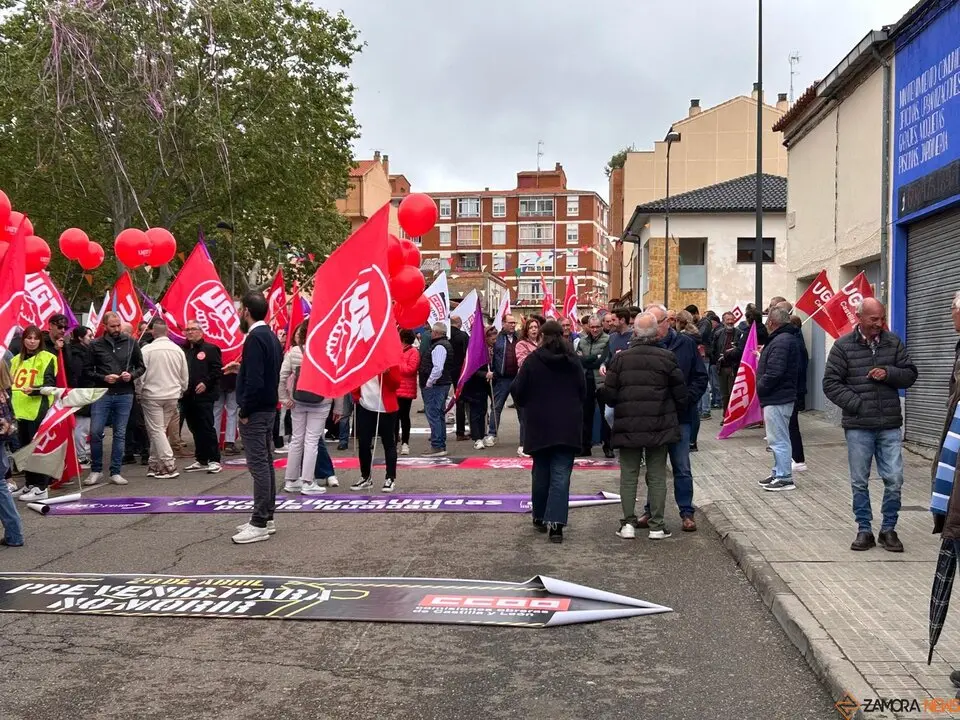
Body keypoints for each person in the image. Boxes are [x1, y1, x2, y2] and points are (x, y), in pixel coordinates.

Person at [823, 297, 917, 552]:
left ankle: (888, 529)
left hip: (888, 424)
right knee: (859, 480)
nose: (879, 323)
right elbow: (830, 384)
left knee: (895, 478)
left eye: (881, 318)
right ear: (860, 317)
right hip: (858, 425)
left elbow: (910, 374)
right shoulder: (843, 347)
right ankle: (864, 529)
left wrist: (889, 373)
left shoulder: (893, 342)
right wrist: (857, 404)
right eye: (874, 319)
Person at [602, 313, 687, 540]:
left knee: (629, 475)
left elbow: (609, 395)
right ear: (656, 332)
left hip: (628, 425)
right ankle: (657, 526)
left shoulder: (621, 359)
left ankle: (628, 524)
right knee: (657, 474)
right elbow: (681, 395)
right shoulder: (667, 358)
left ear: (635, 332)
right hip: (659, 424)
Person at [511, 320, 585, 544]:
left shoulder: (533, 360)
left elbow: (518, 389)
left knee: (541, 471)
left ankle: (540, 516)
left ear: (542, 336)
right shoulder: (573, 360)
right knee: (561, 474)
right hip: (567, 423)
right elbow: (583, 390)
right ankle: (557, 524)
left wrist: (528, 405)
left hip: (539, 422)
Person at [643, 306, 706, 531]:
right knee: (654, 468)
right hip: (656, 418)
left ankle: (686, 513)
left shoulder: (686, 343)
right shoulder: (646, 345)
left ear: (667, 321)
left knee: (682, 467)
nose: (652, 327)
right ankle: (650, 510)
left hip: (681, 417)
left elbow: (700, 376)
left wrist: (687, 399)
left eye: (655, 322)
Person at [232, 292, 284, 545]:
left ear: (246, 311)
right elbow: (261, 372)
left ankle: (260, 521)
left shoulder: (255, 338)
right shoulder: (271, 336)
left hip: (256, 411)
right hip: (268, 408)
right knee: (265, 463)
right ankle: (267, 516)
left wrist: (244, 411)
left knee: (259, 465)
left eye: (241, 309)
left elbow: (256, 381)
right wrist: (240, 369)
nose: (239, 313)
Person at [278, 320, 343, 497]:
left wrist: (285, 398)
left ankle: (291, 480)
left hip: (298, 401)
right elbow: (336, 381)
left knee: (296, 440)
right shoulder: (328, 352)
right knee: (312, 441)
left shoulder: (294, 352)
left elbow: (282, 376)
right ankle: (308, 481)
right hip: (321, 401)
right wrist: (338, 407)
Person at [83, 312, 145, 486]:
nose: (117, 329)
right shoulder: (95, 345)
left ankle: (115, 471)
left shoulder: (131, 342)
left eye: (118, 325)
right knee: (95, 432)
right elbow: (86, 370)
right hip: (102, 393)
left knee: (120, 433)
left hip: (125, 393)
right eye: (113, 326)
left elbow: (141, 367)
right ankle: (96, 470)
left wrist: (131, 375)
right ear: (105, 326)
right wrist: (103, 377)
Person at [8, 327, 58, 502]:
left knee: (37, 449)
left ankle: (41, 486)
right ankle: (29, 484)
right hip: (19, 410)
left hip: (38, 410)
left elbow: (51, 384)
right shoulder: (15, 360)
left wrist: (35, 391)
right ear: (23, 340)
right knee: (23, 449)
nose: (31, 341)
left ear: (40, 341)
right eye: (28, 338)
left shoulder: (48, 358)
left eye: (35, 338)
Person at [755, 308, 802, 492]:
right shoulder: (783, 339)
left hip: (778, 397)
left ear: (772, 323)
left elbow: (775, 372)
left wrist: (760, 387)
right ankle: (777, 472)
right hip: (778, 396)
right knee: (777, 438)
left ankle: (784, 477)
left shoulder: (781, 341)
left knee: (779, 439)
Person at [136, 321, 189, 480]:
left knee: (157, 430)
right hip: (172, 395)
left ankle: (168, 465)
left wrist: (138, 392)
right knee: (159, 430)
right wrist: (181, 390)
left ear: (153, 332)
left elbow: (140, 375)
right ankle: (154, 464)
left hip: (152, 395)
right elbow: (184, 375)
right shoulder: (177, 350)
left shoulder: (147, 350)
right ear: (167, 332)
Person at [350, 366, 402, 492]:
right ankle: (365, 476)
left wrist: (388, 373)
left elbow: (396, 385)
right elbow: (353, 378)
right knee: (363, 443)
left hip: (385, 407)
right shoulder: (363, 360)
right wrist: (356, 395)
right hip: (365, 406)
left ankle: (390, 478)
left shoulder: (389, 360)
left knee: (388, 442)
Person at [181, 319, 223, 474]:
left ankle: (214, 459)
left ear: (201, 331)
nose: (190, 332)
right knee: (194, 428)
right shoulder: (184, 350)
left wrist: (206, 383)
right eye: (187, 329)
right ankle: (201, 458)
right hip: (187, 395)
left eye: (193, 329)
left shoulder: (210, 349)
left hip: (205, 395)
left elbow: (217, 370)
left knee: (206, 426)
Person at [779, 304, 809, 473]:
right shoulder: (796, 342)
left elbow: (796, 369)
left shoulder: (795, 344)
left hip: (793, 390)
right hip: (794, 389)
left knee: (791, 425)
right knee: (790, 424)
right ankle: (795, 457)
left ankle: (798, 458)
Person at [576, 315, 611, 458]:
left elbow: (603, 360)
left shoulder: (608, 340)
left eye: (597, 327)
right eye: (592, 327)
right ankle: (585, 446)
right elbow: (579, 360)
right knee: (585, 415)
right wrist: (592, 358)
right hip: (586, 381)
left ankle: (608, 446)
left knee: (605, 416)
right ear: (588, 327)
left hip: (602, 381)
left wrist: (589, 359)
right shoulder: (582, 341)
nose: (595, 330)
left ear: (602, 326)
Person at [420, 322, 456, 457]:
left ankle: (437, 445)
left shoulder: (439, 346)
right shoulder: (444, 344)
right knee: (438, 414)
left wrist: (429, 382)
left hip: (436, 385)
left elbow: (438, 368)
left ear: (435, 333)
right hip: (442, 383)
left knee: (434, 414)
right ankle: (439, 443)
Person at [0, 361, 23, 546]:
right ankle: (14, 534)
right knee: (1, 490)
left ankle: (14, 534)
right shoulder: (4, 392)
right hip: (2, 443)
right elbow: (10, 420)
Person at [463, 327, 498, 450]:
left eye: (495, 338)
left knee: (483, 411)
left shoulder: (494, 349)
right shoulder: (477, 350)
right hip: (475, 384)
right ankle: (476, 438)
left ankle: (483, 435)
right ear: (485, 338)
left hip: (488, 384)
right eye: (492, 338)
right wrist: (484, 374)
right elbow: (471, 368)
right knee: (475, 412)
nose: (494, 340)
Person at [487, 314, 519, 445]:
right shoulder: (497, 339)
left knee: (522, 408)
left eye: (514, 323)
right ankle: (492, 434)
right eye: (510, 322)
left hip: (518, 378)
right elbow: (490, 355)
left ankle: (526, 436)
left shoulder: (519, 337)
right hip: (502, 378)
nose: (513, 325)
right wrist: (492, 371)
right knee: (496, 406)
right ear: (503, 323)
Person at [66, 326, 94, 466]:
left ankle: (83, 453)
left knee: (83, 426)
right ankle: (81, 456)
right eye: (89, 336)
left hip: (84, 393)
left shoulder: (80, 351)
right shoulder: (77, 354)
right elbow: (78, 375)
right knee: (81, 427)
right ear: (80, 338)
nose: (92, 338)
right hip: (82, 393)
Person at [515, 317, 541, 457]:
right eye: (531, 327)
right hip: (526, 382)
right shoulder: (521, 344)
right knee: (525, 415)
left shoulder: (542, 343)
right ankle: (523, 445)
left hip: (540, 383)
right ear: (526, 330)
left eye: (536, 327)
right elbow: (522, 362)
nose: (534, 330)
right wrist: (538, 356)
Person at [712, 312, 743, 419]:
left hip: (734, 367)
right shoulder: (718, 334)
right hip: (722, 368)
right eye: (728, 319)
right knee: (724, 395)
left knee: (733, 394)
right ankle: (726, 416)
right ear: (723, 321)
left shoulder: (739, 333)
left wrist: (729, 354)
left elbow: (741, 351)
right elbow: (714, 349)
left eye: (732, 319)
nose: (730, 321)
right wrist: (718, 359)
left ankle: (733, 416)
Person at [395, 329, 420, 456]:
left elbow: (410, 369)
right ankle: (393, 442)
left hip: (406, 390)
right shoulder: (395, 350)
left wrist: (398, 363)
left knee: (404, 417)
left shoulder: (413, 352)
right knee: (393, 418)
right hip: (394, 388)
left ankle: (405, 443)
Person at [449, 317, 470, 441]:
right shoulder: (463, 336)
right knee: (462, 401)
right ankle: (461, 432)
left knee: (453, 401)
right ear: (459, 324)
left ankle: (438, 431)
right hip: (461, 371)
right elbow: (468, 353)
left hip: (447, 372)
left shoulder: (445, 336)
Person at [214, 362, 240, 455]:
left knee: (216, 412)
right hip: (233, 379)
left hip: (218, 379)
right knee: (232, 412)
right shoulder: (240, 347)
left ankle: (214, 443)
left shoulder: (215, 346)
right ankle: (229, 443)